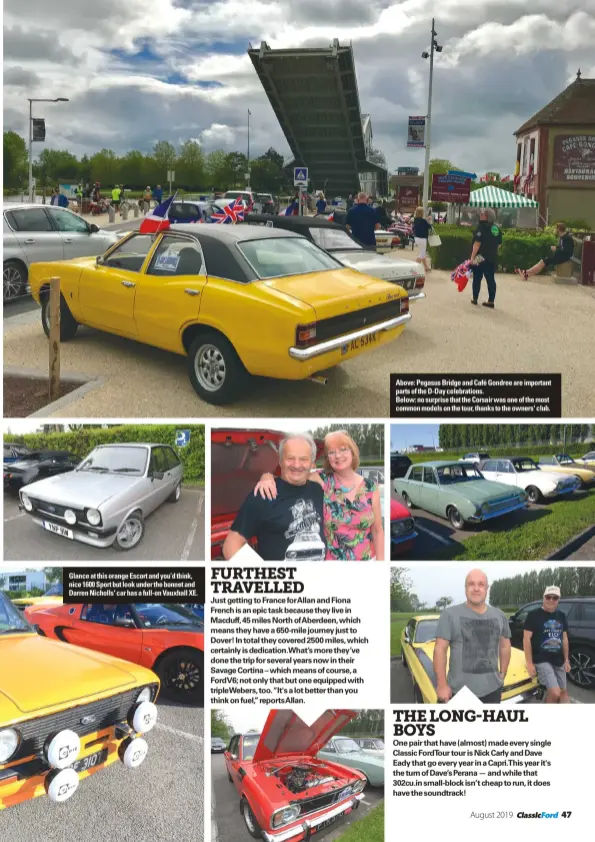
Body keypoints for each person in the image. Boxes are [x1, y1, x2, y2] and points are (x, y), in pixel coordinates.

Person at [254, 430, 384, 561]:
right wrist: (267, 476)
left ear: (353, 452)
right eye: (332, 452)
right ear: (328, 458)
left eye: (343, 450)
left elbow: (378, 530)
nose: (338, 456)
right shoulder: (321, 479)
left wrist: (381, 563)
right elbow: (290, 478)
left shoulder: (371, 487)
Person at [222, 434, 325, 562]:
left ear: (312, 463)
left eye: (303, 459)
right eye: (290, 458)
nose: (297, 465)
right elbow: (231, 545)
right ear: (280, 461)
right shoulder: (264, 493)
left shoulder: (320, 490)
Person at [433, 568, 511, 703]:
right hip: (459, 692)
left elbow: (505, 646)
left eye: (481, 584)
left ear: (487, 588)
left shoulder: (500, 615)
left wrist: (503, 673)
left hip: (493, 690)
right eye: (471, 584)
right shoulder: (449, 614)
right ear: (465, 588)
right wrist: (441, 685)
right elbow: (440, 649)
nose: (476, 588)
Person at [523, 586, 570, 704]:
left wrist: (566, 660)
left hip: (558, 659)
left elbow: (564, 639)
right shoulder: (533, 615)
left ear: (558, 599)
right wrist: (529, 663)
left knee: (563, 692)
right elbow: (526, 639)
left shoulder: (562, 616)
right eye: (548, 597)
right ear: (543, 597)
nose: (551, 600)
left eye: (555, 598)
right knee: (555, 693)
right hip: (541, 659)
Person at [470, 208, 502, 309]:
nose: (480, 214)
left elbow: (477, 243)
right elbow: (499, 244)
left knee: (477, 277)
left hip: (480, 257)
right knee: (490, 279)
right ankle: (491, 300)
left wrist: (472, 257)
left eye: (483, 213)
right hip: (491, 257)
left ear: (487, 216)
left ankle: (475, 298)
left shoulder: (480, 227)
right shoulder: (496, 228)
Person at [412, 206, 431, 272]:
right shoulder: (424, 221)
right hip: (423, 239)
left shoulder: (415, 220)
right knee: (422, 255)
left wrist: (426, 220)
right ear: (422, 213)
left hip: (417, 238)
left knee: (422, 253)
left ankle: (426, 267)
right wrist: (428, 220)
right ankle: (414, 268)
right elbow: (429, 227)